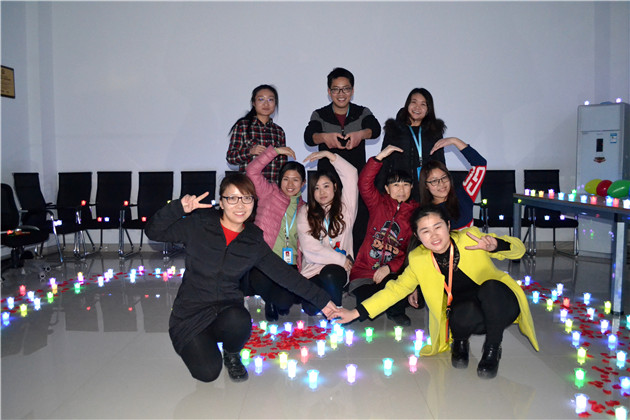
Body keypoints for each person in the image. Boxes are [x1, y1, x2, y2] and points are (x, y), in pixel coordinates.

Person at [145, 173, 337, 383]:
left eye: (246, 198)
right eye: (232, 198)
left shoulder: (252, 240)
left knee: (239, 320)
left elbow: (285, 274)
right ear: (221, 202)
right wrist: (178, 208)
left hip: (227, 311)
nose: (240, 205)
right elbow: (154, 232)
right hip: (191, 313)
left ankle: (231, 353)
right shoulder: (199, 224)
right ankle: (203, 341)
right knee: (207, 374)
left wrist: (323, 301)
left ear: (253, 202)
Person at [333, 205, 539, 379]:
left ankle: (492, 350)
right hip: (468, 317)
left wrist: (496, 245)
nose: (433, 235)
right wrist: (355, 313)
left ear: (448, 226)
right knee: (460, 309)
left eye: (438, 227)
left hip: (499, 306)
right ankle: (459, 341)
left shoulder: (471, 238)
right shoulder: (418, 259)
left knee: (490, 287)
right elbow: (395, 290)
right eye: (425, 231)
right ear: (417, 236)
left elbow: (519, 250)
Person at [303, 67, 381, 254]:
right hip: (328, 180)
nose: (341, 94)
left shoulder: (362, 112)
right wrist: (324, 137)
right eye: (336, 89)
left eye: (346, 89)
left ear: (352, 91)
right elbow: (309, 137)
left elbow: (375, 129)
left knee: (358, 222)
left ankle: (355, 262)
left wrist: (361, 134)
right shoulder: (320, 114)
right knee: (327, 222)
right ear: (329, 92)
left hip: (356, 178)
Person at [349, 145, 418, 326]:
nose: (401, 189)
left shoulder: (416, 214)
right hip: (365, 270)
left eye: (406, 185)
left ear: (412, 187)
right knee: (366, 306)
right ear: (387, 188)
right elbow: (364, 183)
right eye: (396, 185)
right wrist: (380, 156)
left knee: (395, 291)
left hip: (392, 272)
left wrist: (389, 267)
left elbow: (409, 251)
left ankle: (395, 311)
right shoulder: (377, 203)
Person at [245, 145, 306, 321]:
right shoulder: (269, 193)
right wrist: (275, 152)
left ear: (303, 184)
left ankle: (274, 299)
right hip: (264, 258)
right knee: (258, 279)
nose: (290, 184)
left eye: (295, 180)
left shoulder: (305, 208)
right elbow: (252, 171)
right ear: (279, 180)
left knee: (284, 303)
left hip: (289, 262)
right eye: (286, 179)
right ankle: (268, 299)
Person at [297, 150, 358, 315]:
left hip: (337, 270)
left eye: (326, 186)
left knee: (330, 274)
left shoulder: (346, 208)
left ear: (335, 187)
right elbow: (310, 248)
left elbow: (351, 174)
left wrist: (329, 155)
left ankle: (337, 311)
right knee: (310, 309)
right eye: (316, 188)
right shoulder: (305, 212)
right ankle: (328, 299)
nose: (322, 192)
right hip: (314, 269)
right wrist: (341, 259)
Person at [377, 88, 446, 202]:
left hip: (427, 190)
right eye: (414, 102)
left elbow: (440, 162)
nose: (417, 107)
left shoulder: (434, 131)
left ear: (428, 109)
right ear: (407, 104)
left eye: (423, 104)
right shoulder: (395, 129)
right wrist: (380, 193)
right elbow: (385, 163)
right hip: (401, 191)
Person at [419, 137, 486, 229]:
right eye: (434, 181)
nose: (441, 184)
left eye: (444, 177)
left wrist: (454, 141)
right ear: (426, 185)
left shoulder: (464, 195)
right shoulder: (424, 213)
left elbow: (480, 164)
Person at [226, 84, 286, 184]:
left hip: (271, 187)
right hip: (249, 187)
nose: (266, 104)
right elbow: (231, 158)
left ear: (275, 104)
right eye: (261, 99)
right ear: (253, 103)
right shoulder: (243, 126)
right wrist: (250, 151)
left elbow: (282, 165)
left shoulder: (279, 131)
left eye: (270, 100)